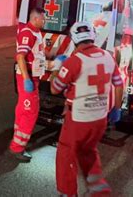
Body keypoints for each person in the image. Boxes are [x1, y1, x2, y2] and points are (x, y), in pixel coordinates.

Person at [50, 21, 124, 196]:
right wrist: (117, 109)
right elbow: (119, 84)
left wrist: (57, 68)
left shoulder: (74, 62)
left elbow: (55, 88)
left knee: (66, 153)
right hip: (100, 118)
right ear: (93, 37)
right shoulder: (108, 56)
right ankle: (99, 189)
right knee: (88, 151)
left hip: (78, 118)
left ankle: (68, 192)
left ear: (74, 39)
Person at [9, 8, 46, 162]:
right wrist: (26, 79)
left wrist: (57, 57)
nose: (45, 21)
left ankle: (18, 139)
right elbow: (20, 56)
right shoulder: (28, 33)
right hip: (28, 77)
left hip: (33, 77)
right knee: (30, 111)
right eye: (43, 18)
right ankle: (17, 148)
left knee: (23, 110)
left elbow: (38, 54)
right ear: (36, 18)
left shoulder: (36, 33)